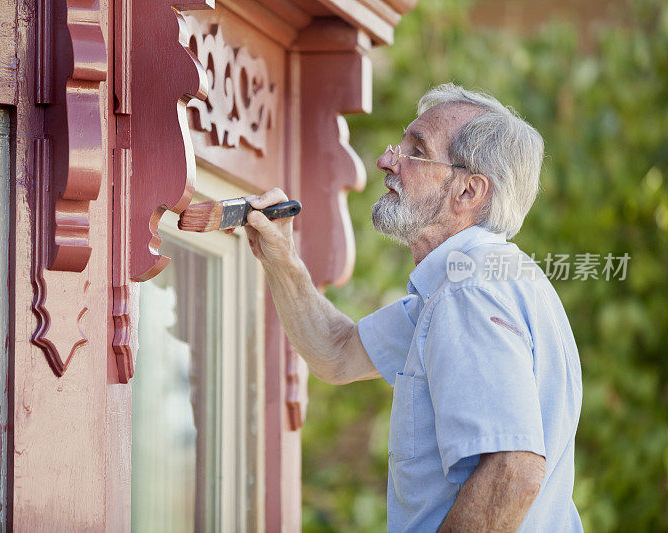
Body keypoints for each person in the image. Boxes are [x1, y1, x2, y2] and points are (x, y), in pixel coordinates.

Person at [242, 83, 583, 532]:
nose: (387, 160)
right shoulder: (469, 281)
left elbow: (513, 472)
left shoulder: (471, 291)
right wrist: (280, 256)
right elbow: (337, 351)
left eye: (415, 150)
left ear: (468, 191)